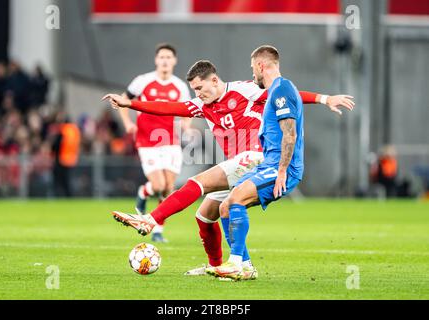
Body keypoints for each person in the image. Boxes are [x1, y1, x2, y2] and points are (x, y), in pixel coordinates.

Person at [103, 59, 354, 279]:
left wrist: (324, 98)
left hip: (256, 157)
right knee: (205, 214)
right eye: (194, 90)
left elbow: (286, 95)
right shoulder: (203, 106)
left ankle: (150, 219)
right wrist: (129, 104)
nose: (198, 94)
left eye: (200, 88)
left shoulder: (244, 90)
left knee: (198, 182)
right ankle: (222, 266)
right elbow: (169, 108)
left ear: (214, 80)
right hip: (239, 165)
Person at [213, 45, 325, 280]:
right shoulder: (276, 90)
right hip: (269, 165)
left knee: (235, 199)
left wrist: (282, 170)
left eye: (253, 68)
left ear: (261, 65)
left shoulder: (282, 89)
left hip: (282, 167)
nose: (253, 74)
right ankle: (246, 267)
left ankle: (234, 264)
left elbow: (290, 133)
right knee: (224, 207)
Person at [118, 43, 192, 243]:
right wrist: (127, 123)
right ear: (156, 60)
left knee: (168, 188)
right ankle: (143, 192)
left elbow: (188, 111)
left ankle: (158, 230)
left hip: (170, 140)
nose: (165, 61)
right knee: (158, 184)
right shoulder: (143, 81)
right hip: (146, 140)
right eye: (162, 57)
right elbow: (124, 100)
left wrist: (186, 125)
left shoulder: (180, 86)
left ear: (174, 61)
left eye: (169, 57)